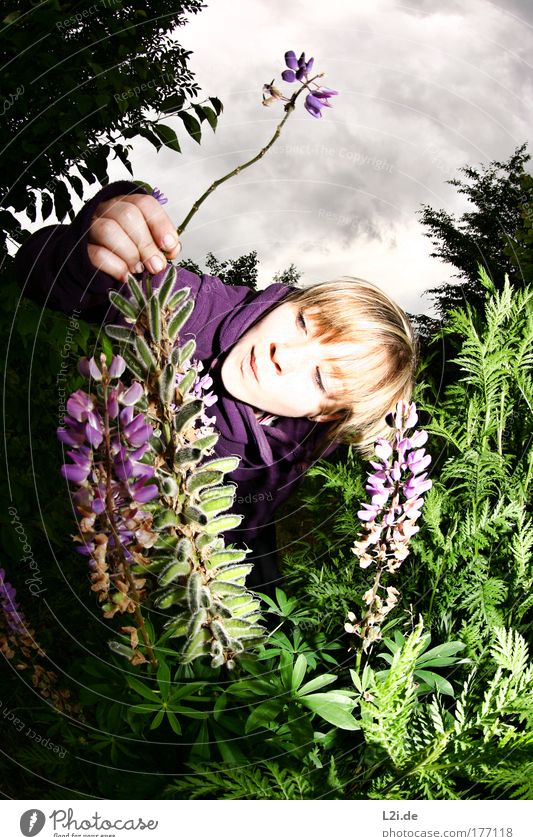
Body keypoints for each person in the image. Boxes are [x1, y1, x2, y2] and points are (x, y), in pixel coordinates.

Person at [15, 181, 417, 592]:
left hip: (242, 532)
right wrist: (91, 253)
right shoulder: (193, 313)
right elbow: (40, 271)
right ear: (291, 301)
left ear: (325, 414)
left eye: (320, 377)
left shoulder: (311, 434)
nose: (285, 354)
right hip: (134, 524)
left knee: (262, 596)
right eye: (302, 323)